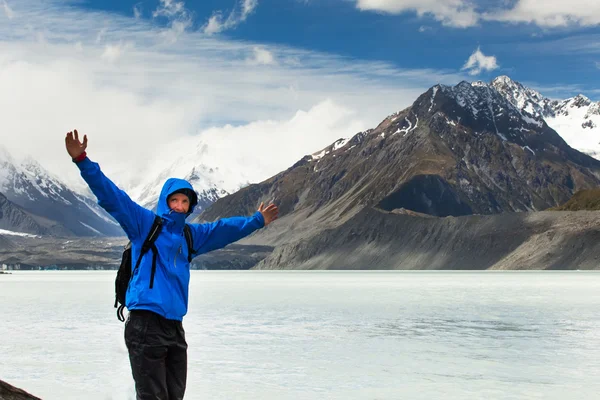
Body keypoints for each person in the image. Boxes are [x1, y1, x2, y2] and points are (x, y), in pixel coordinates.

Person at [65, 129, 278, 400]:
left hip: (174, 327)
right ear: (165, 200)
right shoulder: (144, 225)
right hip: (145, 323)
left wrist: (257, 221)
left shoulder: (190, 236)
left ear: (190, 206)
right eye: (174, 200)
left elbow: (223, 230)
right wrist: (82, 159)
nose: (179, 206)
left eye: (185, 201)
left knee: (174, 396)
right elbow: (112, 197)